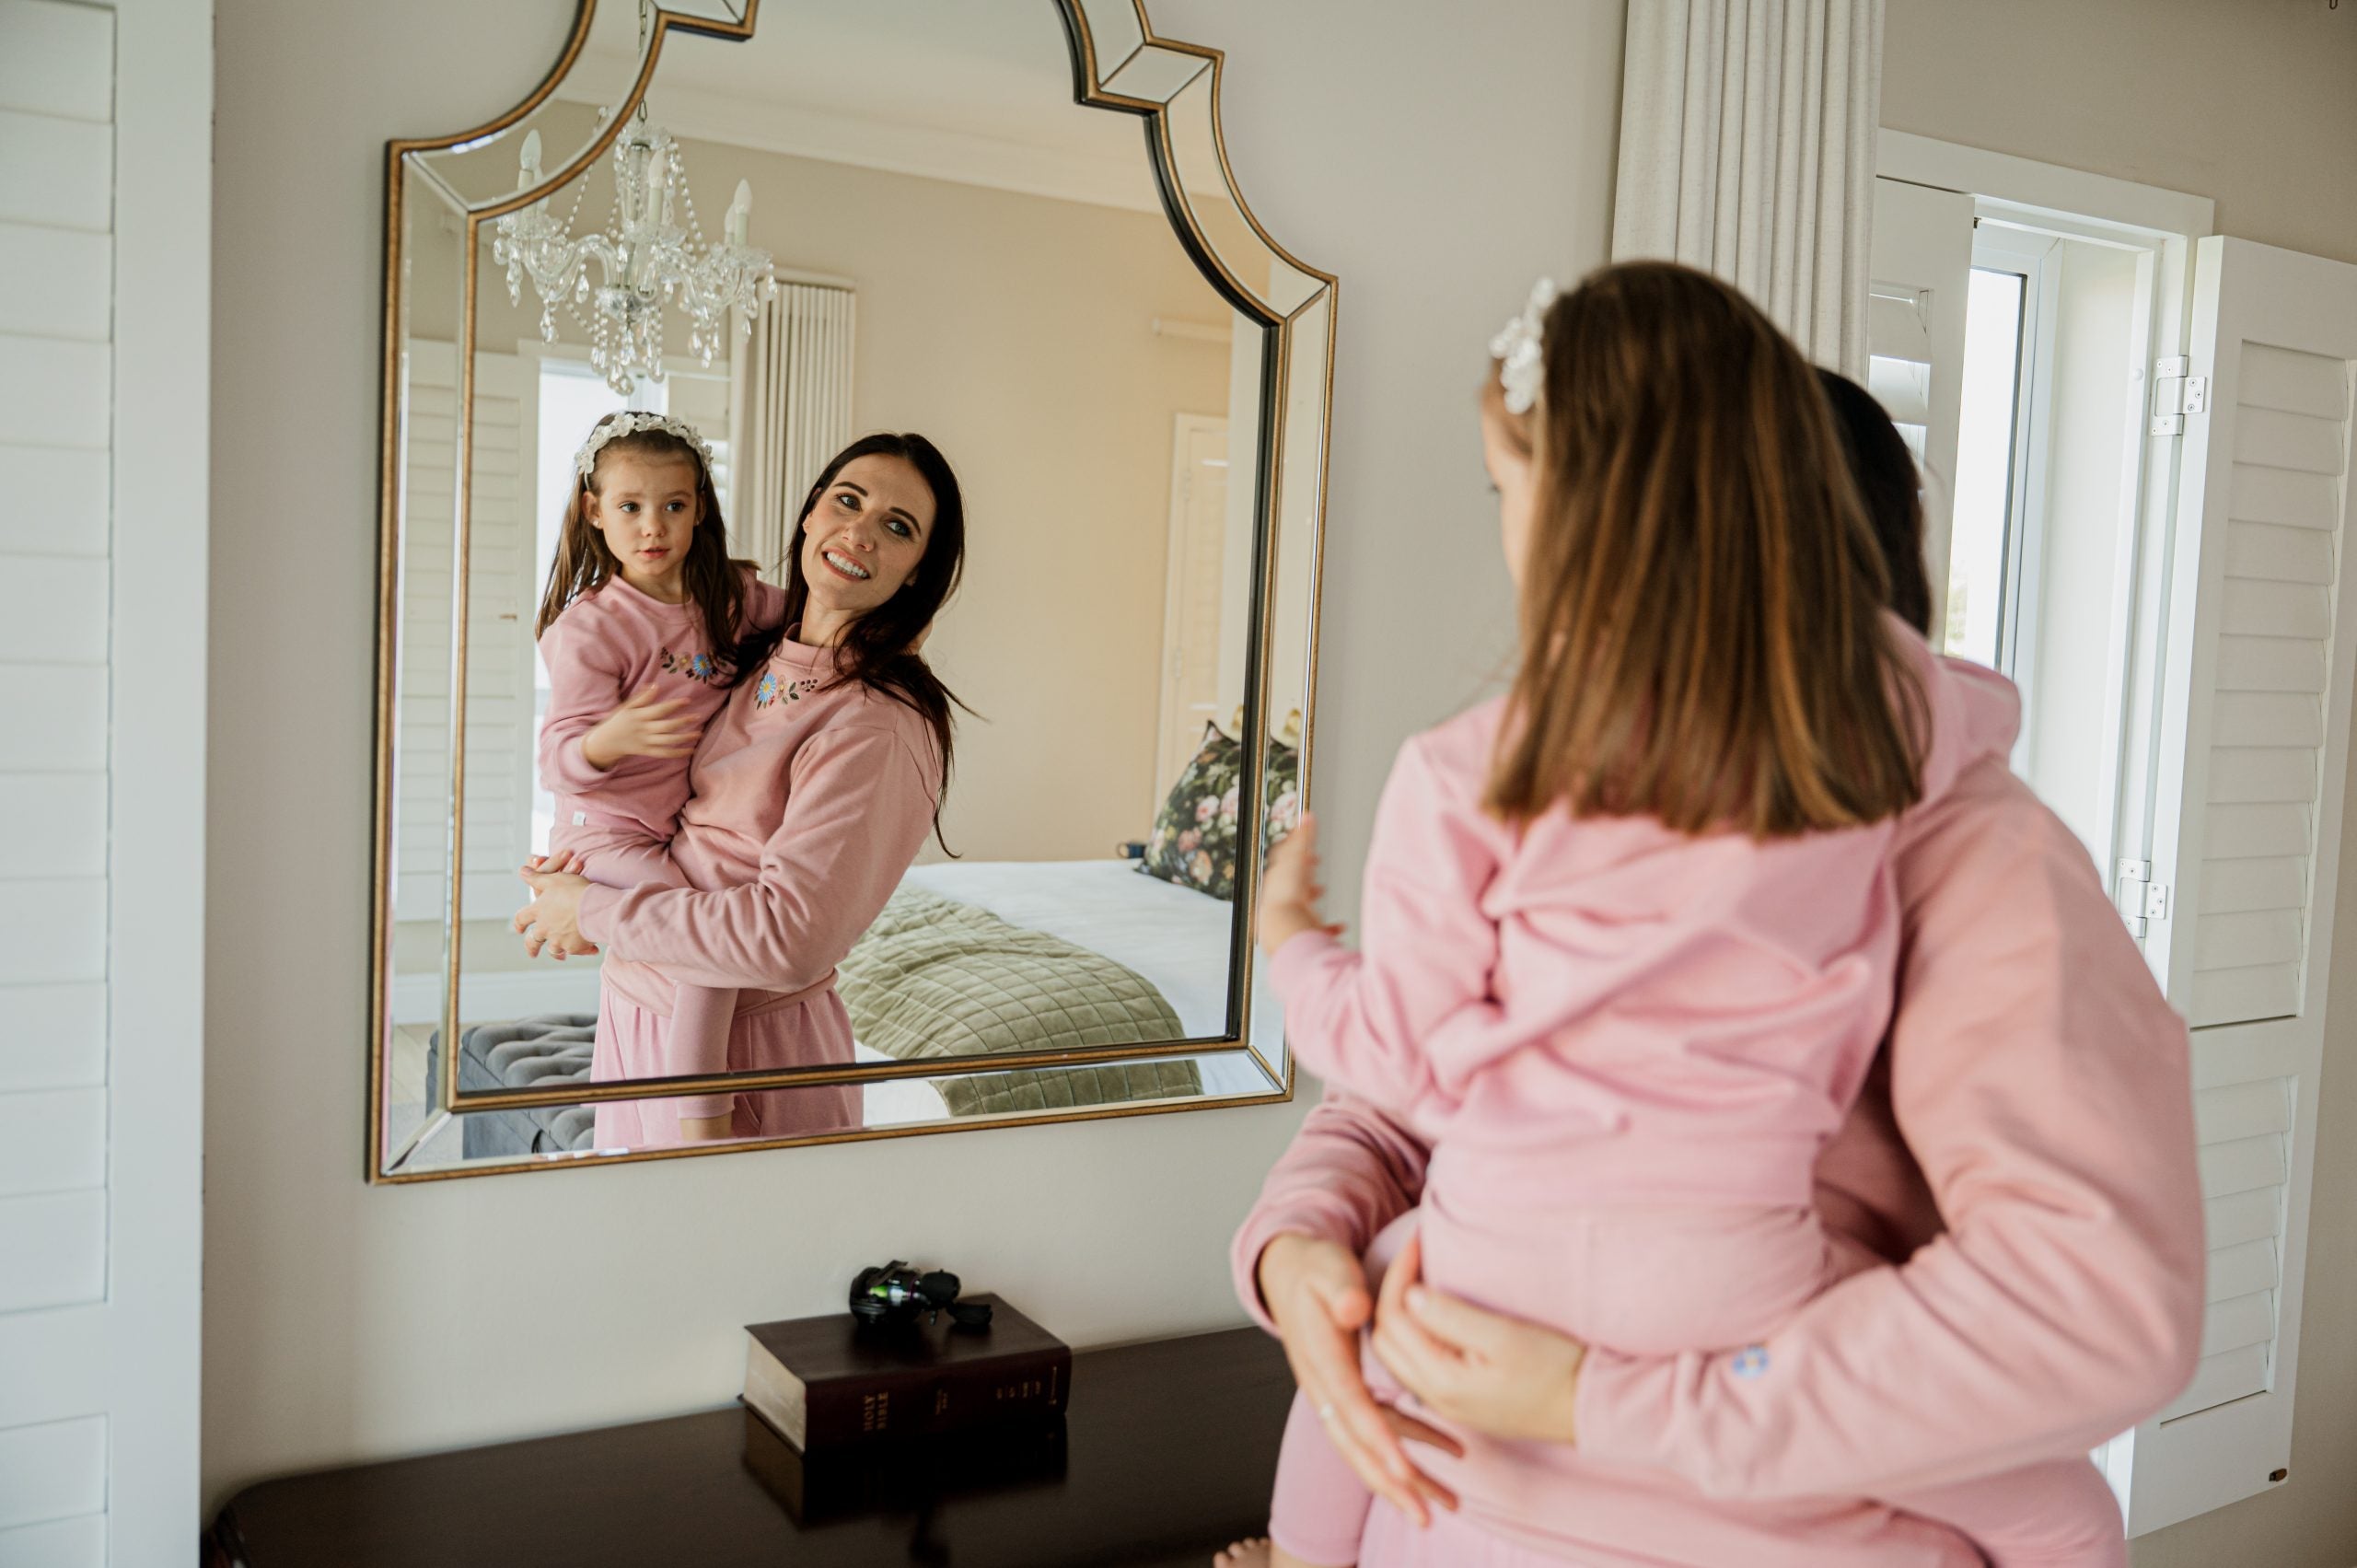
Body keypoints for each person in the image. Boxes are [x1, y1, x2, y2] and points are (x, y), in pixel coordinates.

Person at [1216, 267, 2200, 1568]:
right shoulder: (1540, 786)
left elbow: (2087, 1302)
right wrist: (1299, 1245)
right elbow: (1407, 1092)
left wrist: (1606, 1400)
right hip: (1458, 1471)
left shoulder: (1971, 850)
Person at [513, 433, 968, 1147]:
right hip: (637, 1025)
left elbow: (787, 937)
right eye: (848, 501)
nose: (859, 531)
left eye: (897, 526)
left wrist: (595, 910)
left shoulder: (876, 720)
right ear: (812, 512)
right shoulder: (757, 650)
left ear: (919, 571)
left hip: (745, 1068)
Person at [532, 411, 784, 1142]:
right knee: (706, 932)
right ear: (595, 512)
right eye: (630, 507)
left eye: (674, 505)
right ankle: (699, 1114)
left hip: (673, 828)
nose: (654, 527)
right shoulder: (594, 627)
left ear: (700, 506)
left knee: (709, 919)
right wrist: (608, 741)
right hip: (602, 835)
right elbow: (556, 760)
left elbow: (811, 624)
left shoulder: (729, 602)